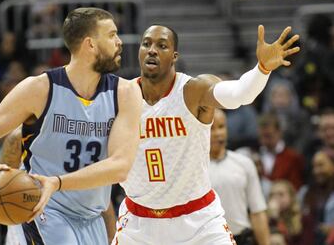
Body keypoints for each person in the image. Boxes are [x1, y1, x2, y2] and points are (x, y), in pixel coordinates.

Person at [0, 7, 142, 245]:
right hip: (45, 211)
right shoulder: (40, 89)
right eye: (111, 35)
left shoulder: (125, 92)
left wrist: (57, 183)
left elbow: (120, 167)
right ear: (90, 44)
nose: (119, 42)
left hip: (91, 216)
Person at [113, 24, 300, 245]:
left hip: (198, 221)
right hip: (139, 222)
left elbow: (239, 94)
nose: (152, 50)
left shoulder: (194, 90)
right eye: (146, 44)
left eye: (161, 45)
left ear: (174, 56)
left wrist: (262, 69)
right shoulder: (120, 96)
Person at [0, 128, 117, 245]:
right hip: (27, 229)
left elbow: (98, 193)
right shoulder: (20, 137)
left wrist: (112, 236)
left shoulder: (87, 137)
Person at [209, 109, 269, 245]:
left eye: (221, 127)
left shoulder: (244, 163)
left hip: (242, 238)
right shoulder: (196, 169)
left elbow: (257, 211)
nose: (218, 133)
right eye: (211, 128)